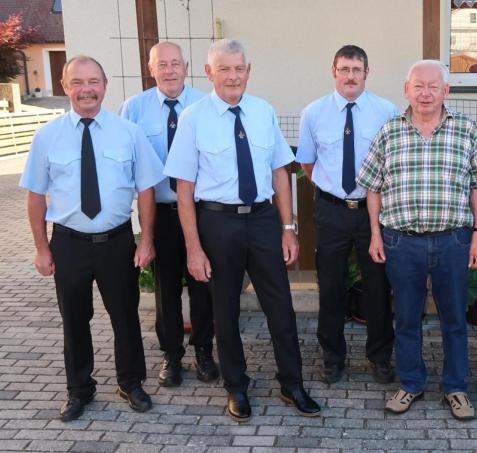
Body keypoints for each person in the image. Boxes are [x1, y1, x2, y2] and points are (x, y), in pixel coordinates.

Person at [163, 38, 321, 422]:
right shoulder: (194, 118)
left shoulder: (262, 111)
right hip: (218, 223)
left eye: (239, 68)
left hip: (264, 220)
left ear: (248, 71)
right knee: (225, 310)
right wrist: (194, 248)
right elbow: (184, 191)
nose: (233, 76)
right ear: (209, 72)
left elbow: (281, 173)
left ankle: (292, 383)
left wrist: (288, 227)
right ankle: (236, 386)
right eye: (224, 69)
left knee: (280, 305)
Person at [20, 56, 164, 421]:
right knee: (74, 320)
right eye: (78, 82)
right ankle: (79, 390)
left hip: (117, 244)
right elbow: (35, 194)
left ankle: (131, 383)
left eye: (94, 81)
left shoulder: (127, 132)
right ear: (66, 86)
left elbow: (146, 188)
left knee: (126, 319)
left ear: (105, 85)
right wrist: (41, 248)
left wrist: (146, 240)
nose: (87, 89)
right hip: (68, 244)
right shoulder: (48, 135)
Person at [357, 60, 477, 421]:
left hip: (454, 242)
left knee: (454, 319)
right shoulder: (389, 132)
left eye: (434, 86)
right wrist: (374, 233)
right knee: (406, 318)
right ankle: (411, 382)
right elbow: (372, 187)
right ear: (406, 90)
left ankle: (456, 387)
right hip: (402, 242)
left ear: (447, 91)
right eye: (419, 86)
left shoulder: (465, 130)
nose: (426, 93)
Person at [296, 44, 398, 385]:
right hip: (332, 211)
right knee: (331, 286)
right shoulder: (313, 112)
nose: (350, 76)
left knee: (378, 287)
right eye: (344, 69)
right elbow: (308, 163)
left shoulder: (387, 111)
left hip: (374, 211)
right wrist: (334, 192)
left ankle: (381, 357)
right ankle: (332, 356)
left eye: (357, 70)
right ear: (334, 71)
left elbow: (391, 164)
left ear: (366, 73)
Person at [118, 41, 218, 388]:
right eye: (162, 64)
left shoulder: (206, 104)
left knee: (203, 284)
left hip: (201, 212)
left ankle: (204, 350)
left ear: (186, 66)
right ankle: (171, 356)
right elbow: (125, 159)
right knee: (166, 288)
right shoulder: (134, 108)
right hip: (159, 213)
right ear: (151, 68)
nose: (170, 70)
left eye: (176, 63)